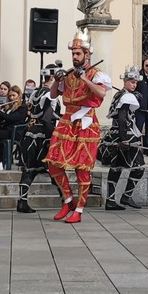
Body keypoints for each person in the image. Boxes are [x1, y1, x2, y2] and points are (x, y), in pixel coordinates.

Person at [45, 30, 112, 224]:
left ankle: (80, 209)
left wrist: (84, 78)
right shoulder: (68, 73)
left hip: (86, 121)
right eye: (73, 53)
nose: (74, 57)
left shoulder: (96, 74)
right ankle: (68, 200)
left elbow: (100, 93)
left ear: (87, 54)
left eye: (78, 54)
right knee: (53, 162)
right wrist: (57, 81)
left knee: (82, 168)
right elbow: (52, 96)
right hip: (67, 120)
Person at [103, 67, 146, 210]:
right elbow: (122, 118)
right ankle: (126, 197)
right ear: (125, 81)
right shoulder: (126, 96)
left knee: (116, 168)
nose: (134, 85)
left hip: (117, 133)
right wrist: (123, 139)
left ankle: (111, 200)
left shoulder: (120, 95)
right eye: (131, 82)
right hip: (124, 134)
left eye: (135, 82)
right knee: (139, 167)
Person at [14, 84, 58, 213]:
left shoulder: (35, 92)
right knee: (55, 169)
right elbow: (46, 119)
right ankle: (66, 200)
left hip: (29, 134)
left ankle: (22, 202)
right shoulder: (50, 95)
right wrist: (51, 138)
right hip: (42, 137)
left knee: (29, 170)